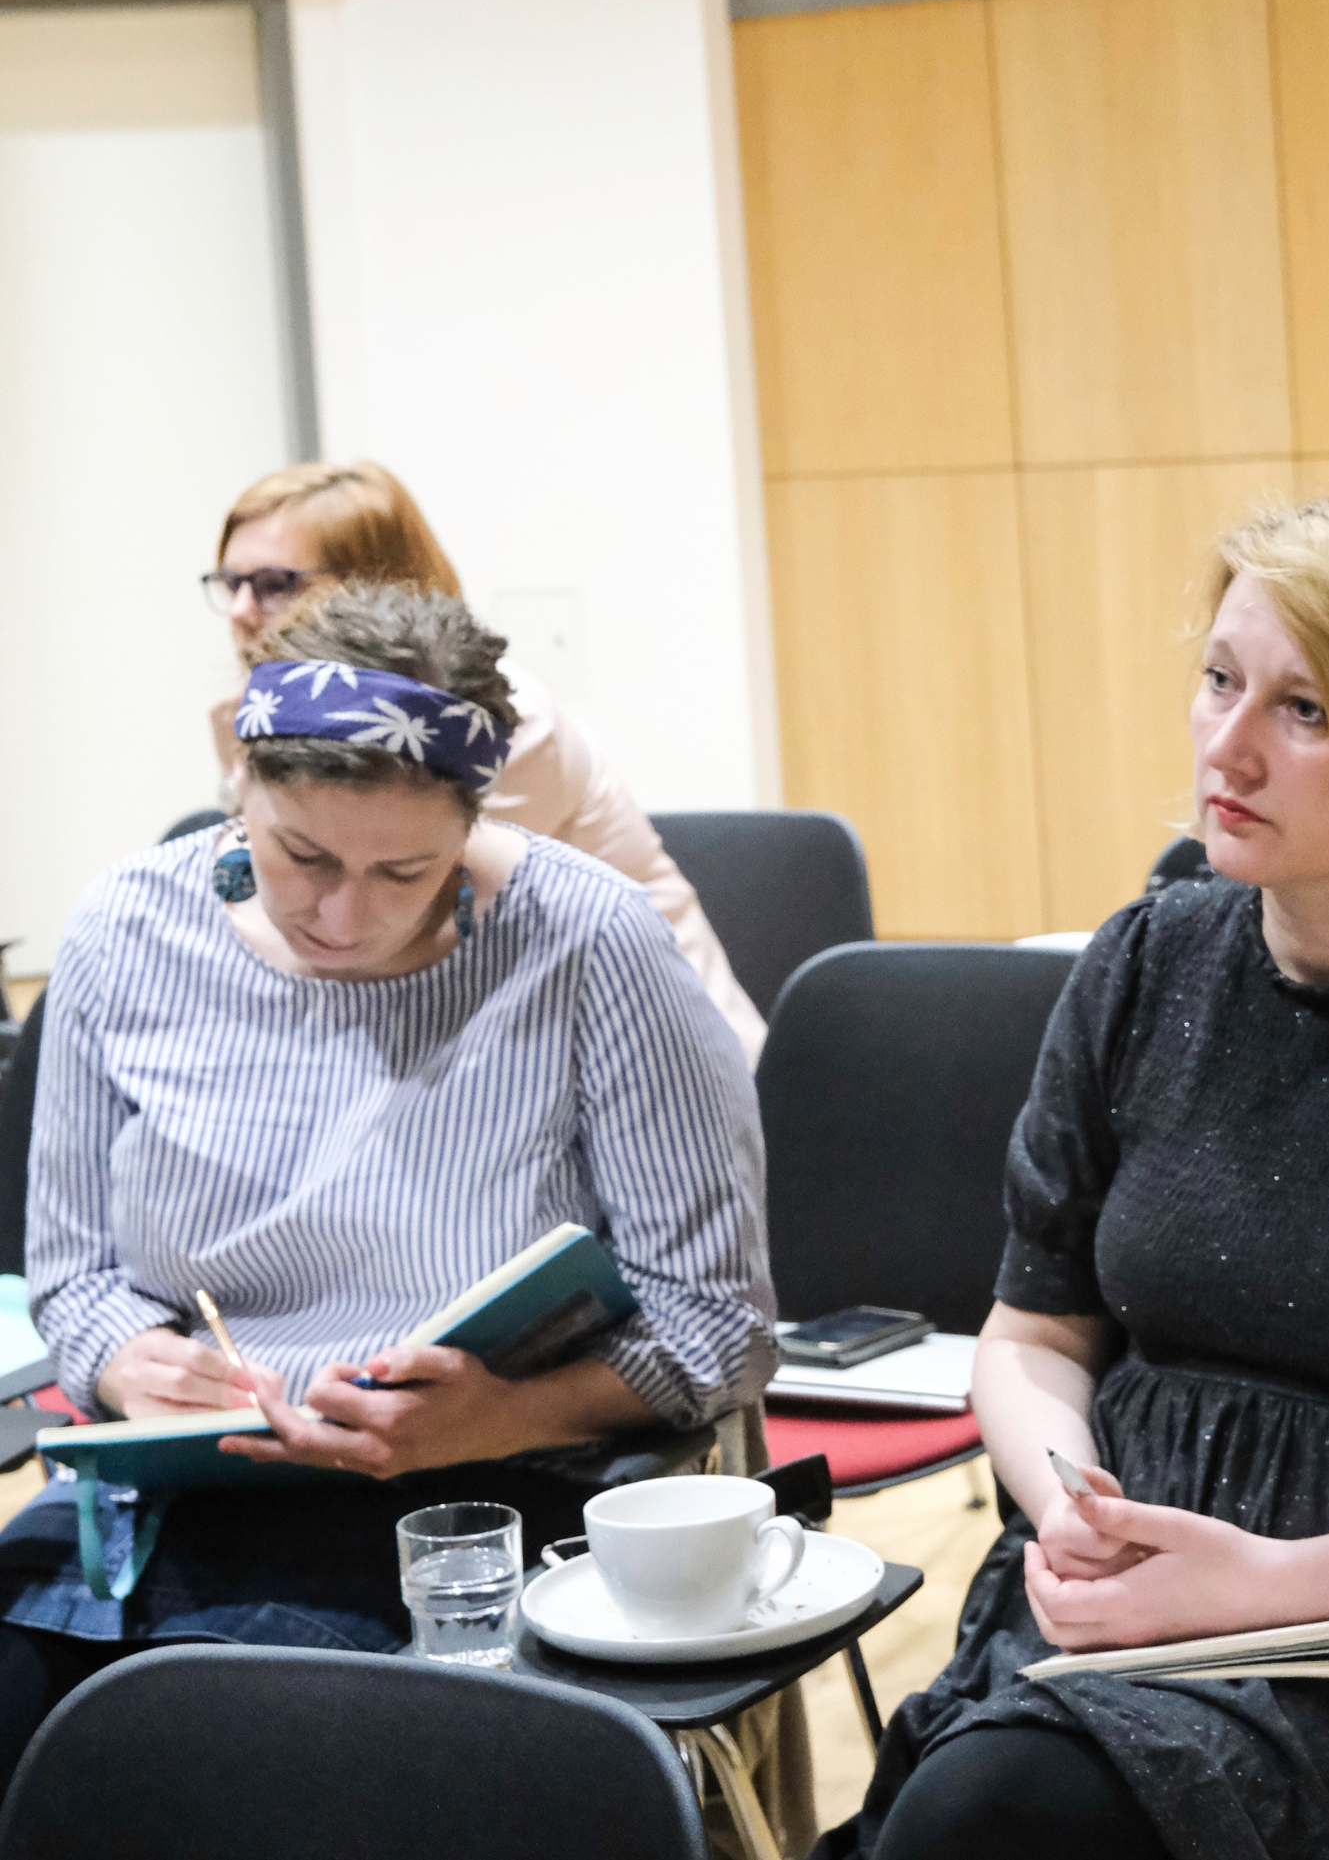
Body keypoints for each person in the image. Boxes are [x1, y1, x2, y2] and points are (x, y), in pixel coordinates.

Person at [822, 490, 1329, 1860]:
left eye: (1305, 710)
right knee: (985, 1806)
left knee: (998, 1816)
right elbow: (1031, 1337)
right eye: (1219, 680)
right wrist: (1073, 1506)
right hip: (1128, 1602)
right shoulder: (1146, 963)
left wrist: (1274, 1582)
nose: (1227, 745)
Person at [0, 582, 776, 1792]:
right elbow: (72, 1274)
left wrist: (498, 1416)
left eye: (405, 871)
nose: (343, 913)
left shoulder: (589, 946)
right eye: (300, 856)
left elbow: (719, 1328)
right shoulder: (125, 930)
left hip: (478, 1493)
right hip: (175, 1490)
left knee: (234, 1767)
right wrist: (121, 1361)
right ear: (241, 784)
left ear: (473, 822)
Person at [201, 460, 767, 1065]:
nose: (240, 611)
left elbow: (401, 945)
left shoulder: (489, 724)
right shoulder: (261, 712)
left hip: (653, 1048)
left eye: (275, 583)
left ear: (373, 584)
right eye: (231, 583)